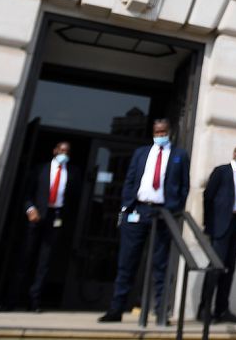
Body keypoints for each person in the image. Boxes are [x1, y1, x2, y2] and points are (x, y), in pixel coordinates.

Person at [100, 118, 190, 323]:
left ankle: (160, 311)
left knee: (161, 264)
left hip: (163, 213)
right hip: (138, 211)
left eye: (163, 132)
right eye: (157, 132)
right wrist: (126, 204)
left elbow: (184, 186)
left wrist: (175, 208)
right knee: (127, 261)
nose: (160, 135)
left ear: (170, 132)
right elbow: (131, 180)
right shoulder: (141, 153)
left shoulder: (180, 155)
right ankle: (116, 309)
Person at [197, 144, 236, 324]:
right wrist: (208, 224)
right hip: (219, 227)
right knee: (215, 268)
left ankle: (222, 309)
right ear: (234, 153)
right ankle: (204, 309)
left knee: (229, 270)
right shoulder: (221, 171)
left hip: (235, 227)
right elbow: (208, 196)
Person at [19, 140, 72, 312]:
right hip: (36, 216)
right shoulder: (40, 169)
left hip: (55, 217)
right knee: (26, 255)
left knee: (45, 261)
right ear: (55, 150)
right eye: (61, 150)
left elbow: (74, 199)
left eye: (67, 152)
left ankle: (33, 301)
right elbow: (26, 192)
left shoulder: (72, 173)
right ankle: (13, 298)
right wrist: (30, 209)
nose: (64, 154)